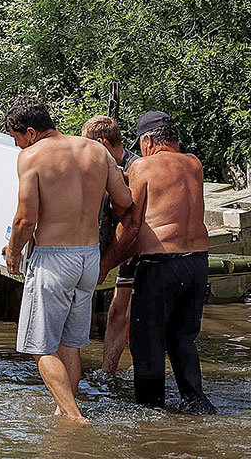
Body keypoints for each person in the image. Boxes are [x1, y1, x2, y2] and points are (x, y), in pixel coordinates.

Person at [2, 97, 131, 421]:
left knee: (40, 347)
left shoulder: (31, 157)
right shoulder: (96, 151)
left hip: (54, 260)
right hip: (88, 257)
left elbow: (25, 220)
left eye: (16, 137)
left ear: (31, 133)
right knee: (69, 345)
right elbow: (124, 198)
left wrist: (14, 250)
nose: (16, 145)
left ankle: (74, 419)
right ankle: (65, 412)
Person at [99, 111, 216, 414]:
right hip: (198, 263)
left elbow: (132, 226)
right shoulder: (195, 164)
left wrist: (104, 265)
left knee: (147, 341)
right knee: (183, 339)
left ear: (148, 140)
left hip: (161, 264)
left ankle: (150, 415)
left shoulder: (143, 167)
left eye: (141, 144)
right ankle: (196, 402)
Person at [80, 115, 140, 374]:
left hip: (138, 247)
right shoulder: (95, 165)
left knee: (131, 313)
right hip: (115, 246)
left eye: (87, 145)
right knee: (116, 311)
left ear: (102, 143)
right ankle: (107, 373)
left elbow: (133, 223)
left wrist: (105, 264)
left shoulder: (136, 167)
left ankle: (140, 372)